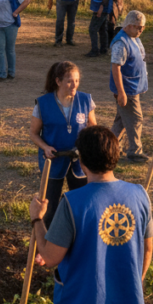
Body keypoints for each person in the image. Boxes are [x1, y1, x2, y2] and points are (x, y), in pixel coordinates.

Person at [28, 125, 153, 304]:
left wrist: (37, 218)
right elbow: (147, 249)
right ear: (116, 155)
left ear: (82, 162)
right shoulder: (140, 194)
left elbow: (50, 258)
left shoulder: (73, 202)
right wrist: (137, 281)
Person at [29, 61, 96, 228]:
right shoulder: (43, 104)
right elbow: (33, 133)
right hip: (52, 161)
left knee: (81, 204)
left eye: (77, 80)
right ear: (58, 81)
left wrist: (86, 148)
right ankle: (45, 246)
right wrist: (45, 147)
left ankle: (77, 241)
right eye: (69, 81)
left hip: (79, 162)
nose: (74, 85)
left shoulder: (85, 100)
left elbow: (93, 128)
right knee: (49, 207)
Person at [109, 11, 153, 163]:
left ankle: (109, 147)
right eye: (138, 27)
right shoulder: (121, 43)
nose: (141, 30)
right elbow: (116, 67)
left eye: (143, 27)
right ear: (128, 26)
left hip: (132, 88)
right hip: (127, 89)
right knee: (135, 119)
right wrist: (121, 92)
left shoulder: (134, 38)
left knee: (122, 120)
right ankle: (135, 151)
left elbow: (138, 57)